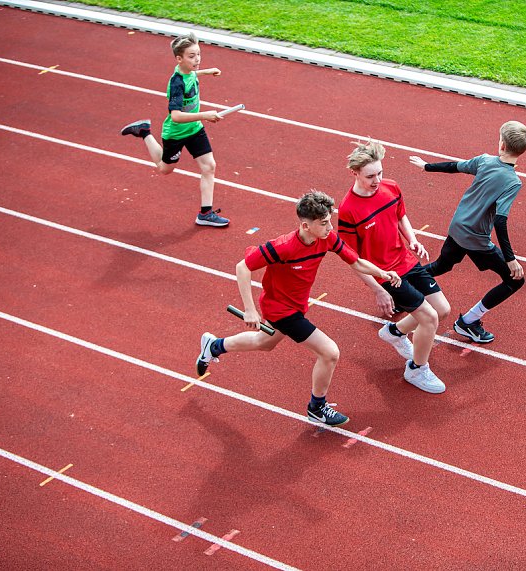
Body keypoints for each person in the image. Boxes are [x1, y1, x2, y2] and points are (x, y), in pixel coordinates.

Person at [196, 191, 401, 427]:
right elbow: (242, 267)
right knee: (329, 352)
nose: (329, 227)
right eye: (324, 223)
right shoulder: (282, 247)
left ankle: (214, 346)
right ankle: (317, 407)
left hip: (297, 304)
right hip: (279, 309)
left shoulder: (328, 238)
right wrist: (249, 309)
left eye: (329, 221)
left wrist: (382, 273)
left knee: (264, 342)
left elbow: (356, 261)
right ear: (306, 225)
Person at [338, 140, 451, 394]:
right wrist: (378, 289)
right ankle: (416, 369)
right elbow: (352, 259)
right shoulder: (348, 209)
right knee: (429, 318)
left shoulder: (391, 187)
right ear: (354, 173)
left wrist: (412, 239)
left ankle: (394, 332)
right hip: (385, 274)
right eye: (370, 176)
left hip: (407, 261)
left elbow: (400, 215)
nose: (377, 180)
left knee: (442, 310)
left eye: (379, 173)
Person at [408, 120, 526, 344]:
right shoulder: (513, 182)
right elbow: (500, 221)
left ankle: (403, 287)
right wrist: (511, 259)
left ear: (501, 145)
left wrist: (427, 166)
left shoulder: (484, 161)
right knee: (515, 281)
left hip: (457, 228)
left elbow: (455, 166)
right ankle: (469, 322)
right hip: (476, 239)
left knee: (441, 266)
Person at [120, 32, 229, 228]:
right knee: (164, 169)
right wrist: (205, 115)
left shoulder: (187, 71)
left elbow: (192, 73)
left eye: (198, 54)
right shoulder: (177, 83)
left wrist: (207, 71)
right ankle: (144, 131)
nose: (197, 59)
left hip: (194, 128)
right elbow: (176, 116)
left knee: (209, 167)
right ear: (179, 59)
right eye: (192, 56)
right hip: (176, 133)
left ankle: (205, 213)